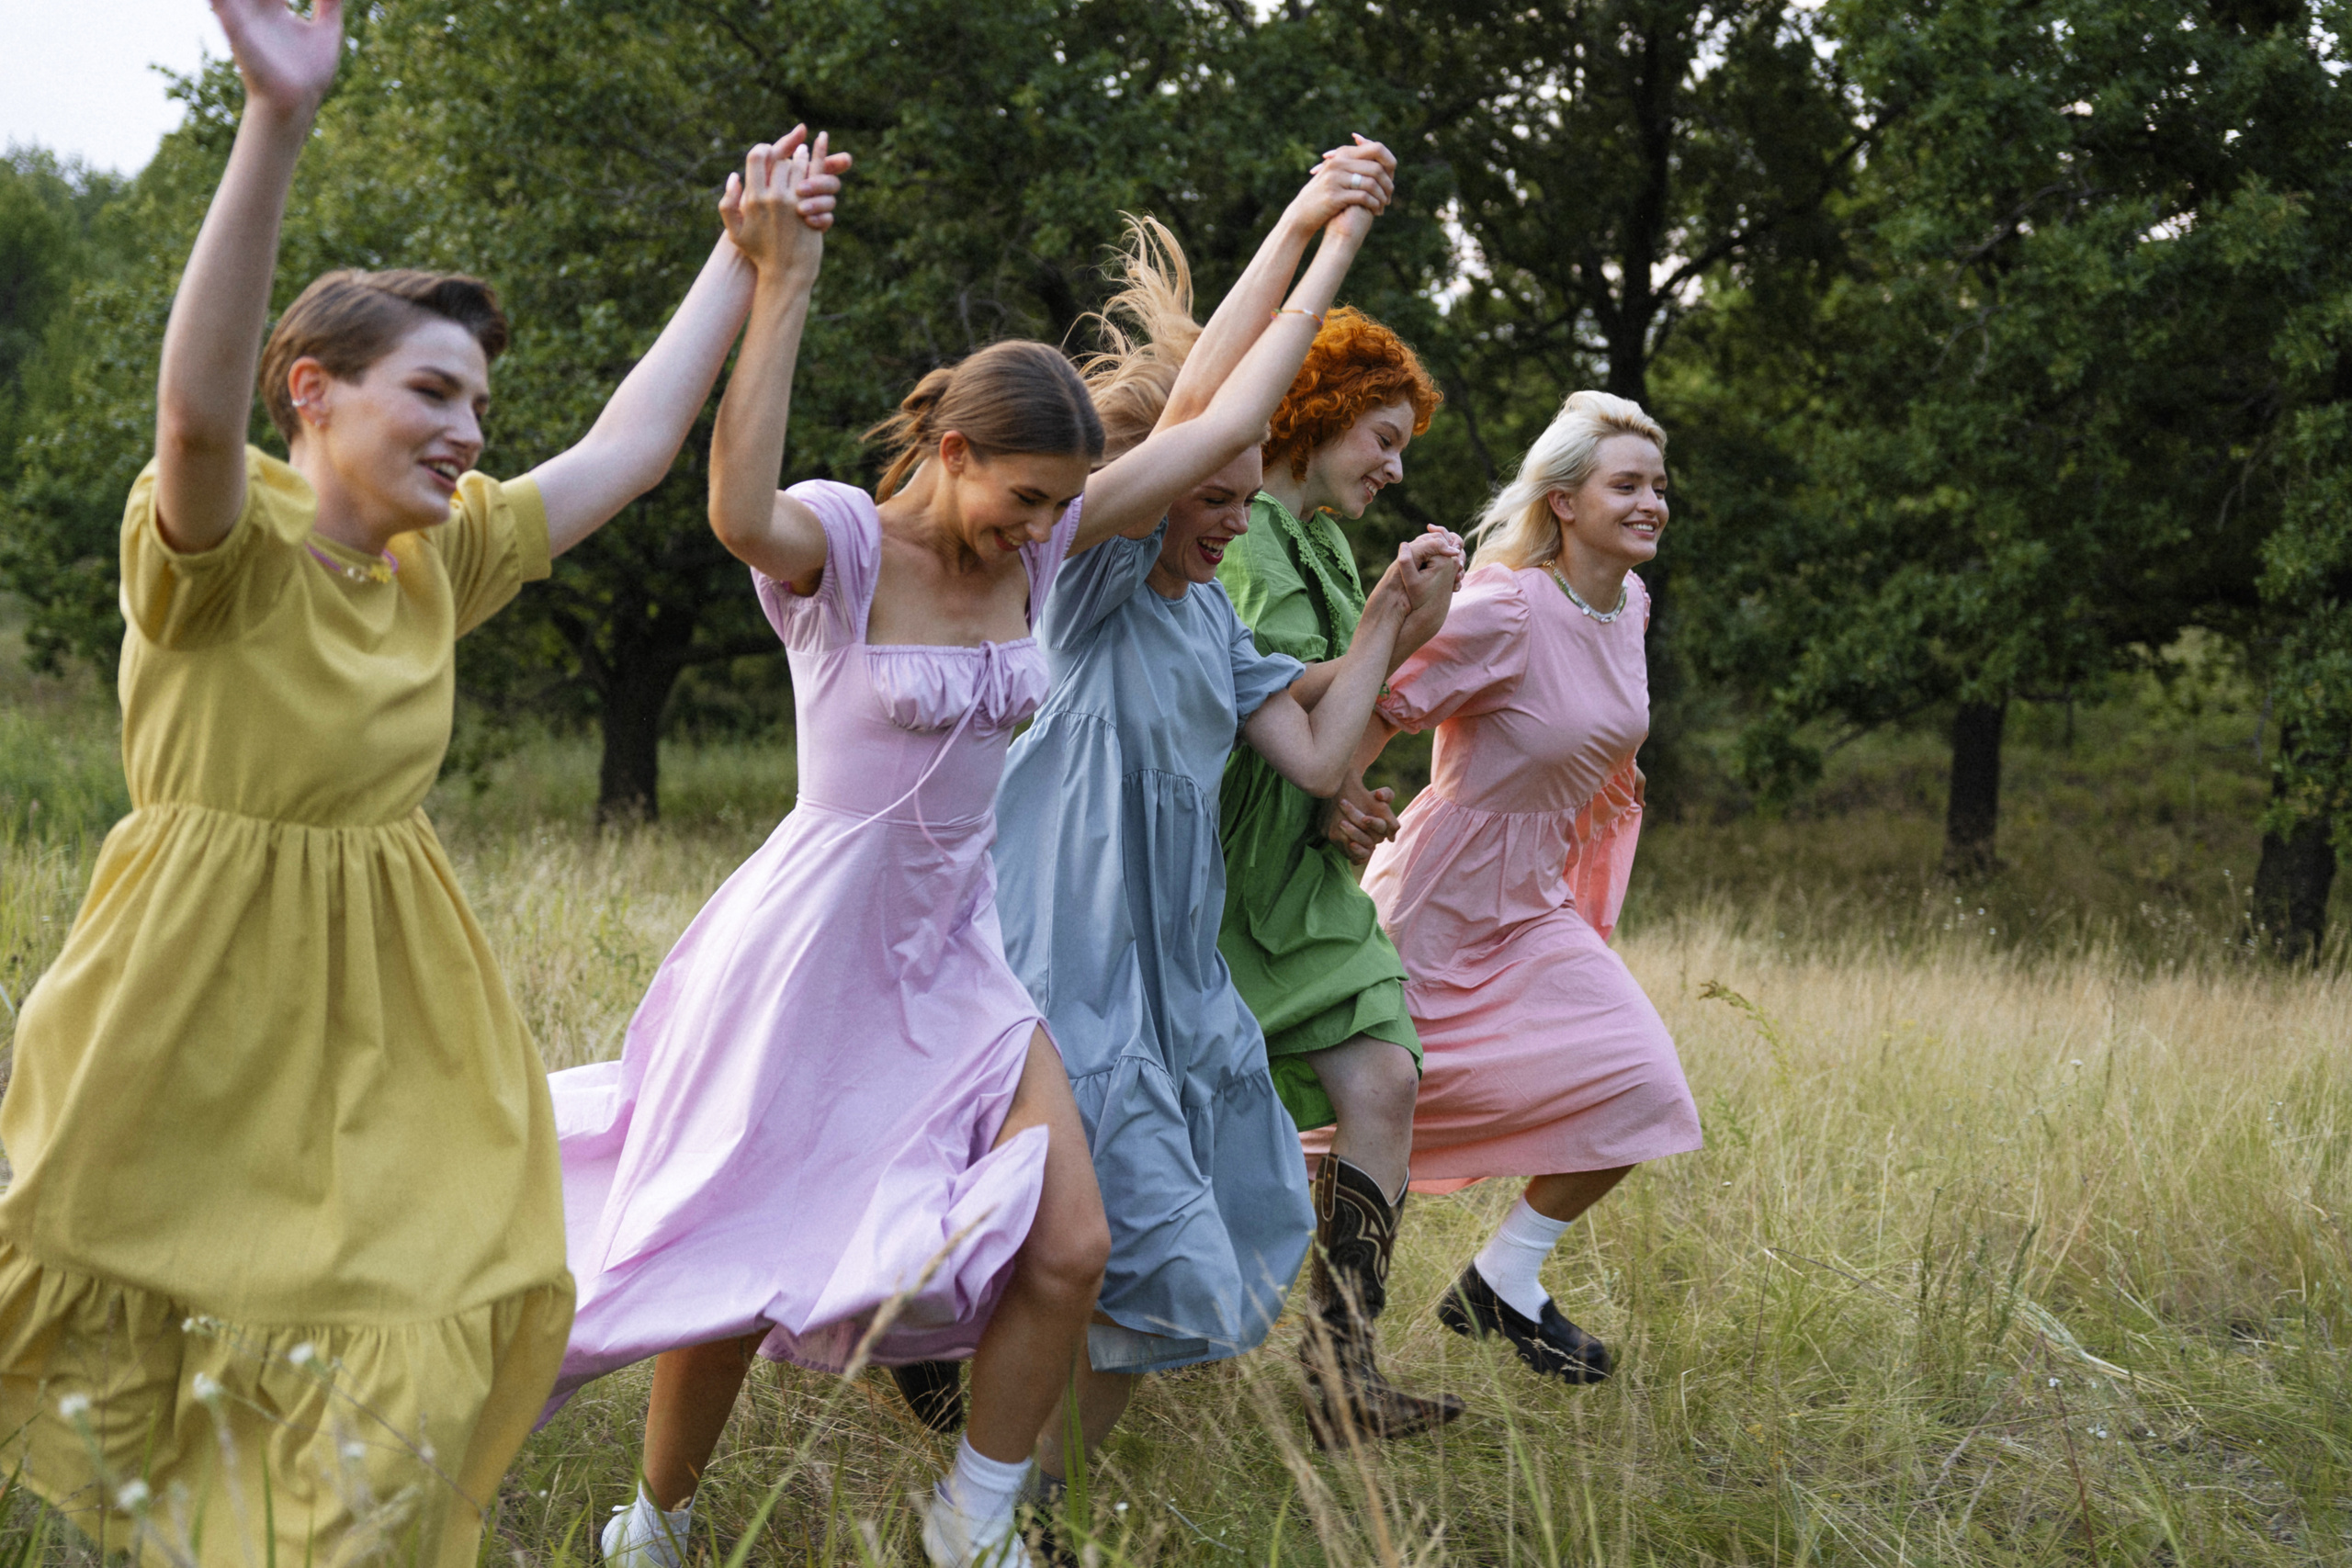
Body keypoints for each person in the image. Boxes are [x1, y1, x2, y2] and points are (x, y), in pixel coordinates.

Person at [0, 4, 794, 1564]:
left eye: (480, 406)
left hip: (387, 1003)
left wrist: (744, 258)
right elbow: (191, 412)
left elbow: (633, 446)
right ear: (316, 392)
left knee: (463, 1288)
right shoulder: (223, 558)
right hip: (191, 993)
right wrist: (274, 117)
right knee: (157, 1307)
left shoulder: (439, 561)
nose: (468, 429)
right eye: (433, 392)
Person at [552, 135, 1395, 1568]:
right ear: (950, 453)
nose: (1042, 527)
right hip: (817, 944)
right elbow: (731, 503)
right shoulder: (845, 550)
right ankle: (661, 1521)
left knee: (1072, 1245)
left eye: (1066, 504)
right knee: (742, 1261)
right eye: (1021, 497)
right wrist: (783, 274)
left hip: (965, 955)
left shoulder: (1053, 555)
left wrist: (1328, 236)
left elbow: (1217, 410)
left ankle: (975, 1528)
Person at [988, 166, 1460, 1473]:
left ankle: (1026, 1491)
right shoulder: (1096, 583)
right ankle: (999, 1484)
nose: (1232, 521)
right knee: (1070, 1236)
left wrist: (1388, 623)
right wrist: (1324, 228)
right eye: (1211, 497)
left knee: (1193, 1257)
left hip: (1163, 972)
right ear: (1153, 490)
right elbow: (1206, 403)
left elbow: (1317, 753)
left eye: (1247, 498)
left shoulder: (1210, 622)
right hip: (1058, 956)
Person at [1331, 390, 1704, 1385]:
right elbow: (1384, 695)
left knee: (1640, 1084)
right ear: (1565, 500)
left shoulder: (1627, 602)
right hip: (1436, 902)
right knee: (1328, 1126)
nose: (1650, 504)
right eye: (1626, 485)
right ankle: (1317, 1352)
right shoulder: (1504, 605)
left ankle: (1504, 1279)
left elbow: (1605, 760)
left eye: (1658, 487)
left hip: (1533, 904)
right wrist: (1333, 796)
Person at [1212, 308, 1454, 1436]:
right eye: (1382, 437)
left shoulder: (1320, 542)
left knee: (1382, 1082)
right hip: (1214, 875)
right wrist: (1385, 626)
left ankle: (1339, 1376)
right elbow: (1255, 694)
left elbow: (1340, 699)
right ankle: (952, 1334)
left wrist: (1343, 792)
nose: (1395, 468)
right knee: (1150, 1132)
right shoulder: (1237, 531)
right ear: (1313, 414)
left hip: (1297, 870)